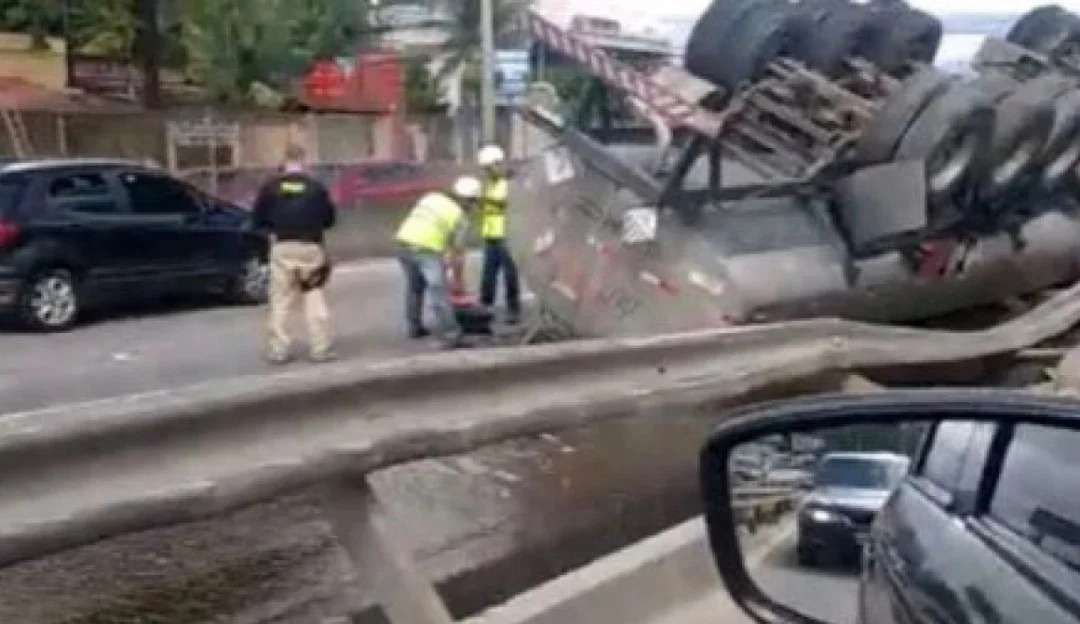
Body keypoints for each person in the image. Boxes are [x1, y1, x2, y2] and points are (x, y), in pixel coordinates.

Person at [253, 145, 337, 364]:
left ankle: (279, 350)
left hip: (282, 246)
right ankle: (320, 348)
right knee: (313, 296)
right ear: (304, 161)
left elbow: (257, 220)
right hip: (310, 247)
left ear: (284, 161)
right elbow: (329, 220)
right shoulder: (316, 188)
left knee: (280, 300)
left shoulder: (270, 188)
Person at [395, 176, 482, 349]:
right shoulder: (460, 217)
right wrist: (457, 283)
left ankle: (414, 327)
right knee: (438, 291)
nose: (472, 207)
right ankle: (452, 336)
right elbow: (457, 254)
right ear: (468, 200)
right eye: (473, 203)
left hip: (403, 244)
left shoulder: (431, 197)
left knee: (415, 287)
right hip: (426, 249)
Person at [477, 144, 521, 324]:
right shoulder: (489, 184)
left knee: (510, 273)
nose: (487, 172)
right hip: (491, 234)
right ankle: (485, 305)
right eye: (485, 169)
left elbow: (508, 204)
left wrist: (486, 201)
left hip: (507, 234)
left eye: (489, 168)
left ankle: (513, 309)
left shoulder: (509, 183)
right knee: (488, 273)